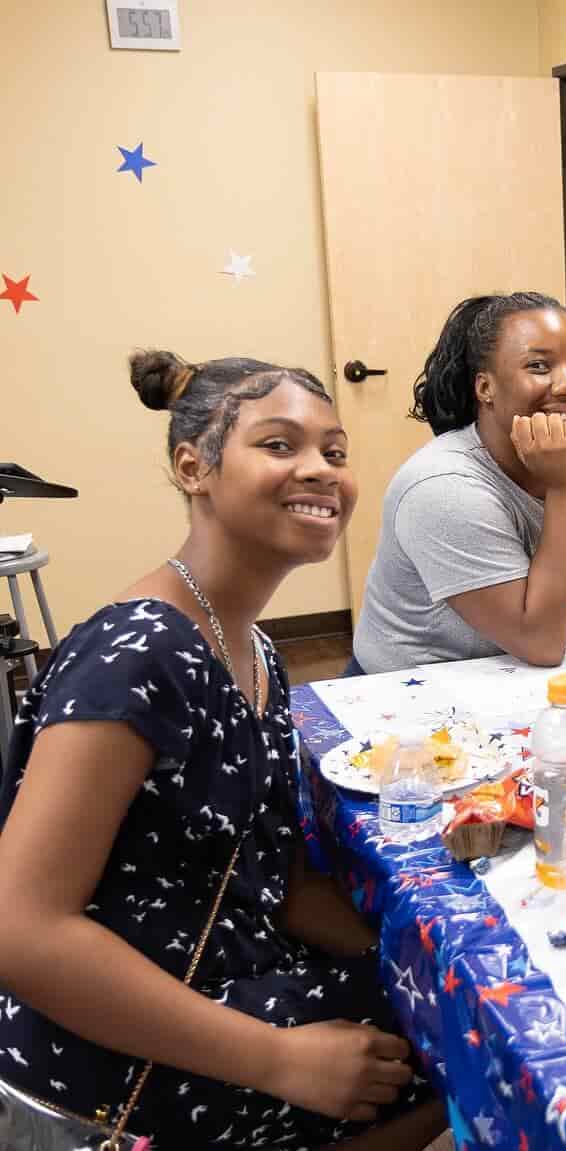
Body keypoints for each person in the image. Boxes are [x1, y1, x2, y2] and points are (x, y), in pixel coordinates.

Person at [0, 352, 446, 1149]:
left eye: (335, 452)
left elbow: (278, 880)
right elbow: (19, 929)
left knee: (463, 1001)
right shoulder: (139, 652)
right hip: (104, 1052)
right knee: (464, 1053)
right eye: (279, 445)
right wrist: (281, 1059)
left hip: (215, 982)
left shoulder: (254, 652)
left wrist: (426, 945)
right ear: (193, 466)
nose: (319, 470)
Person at [351, 292, 566, 673]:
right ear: (485, 388)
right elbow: (543, 641)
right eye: (538, 366)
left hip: (551, 683)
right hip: (416, 703)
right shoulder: (440, 487)